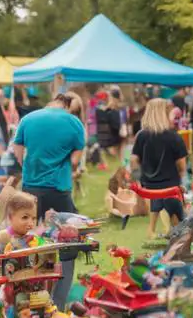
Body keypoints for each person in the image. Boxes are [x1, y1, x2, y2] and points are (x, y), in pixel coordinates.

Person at [13, 92, 86, 221]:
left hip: (31, 184)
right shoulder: (75, 123)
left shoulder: (27, 119)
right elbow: (75, 162)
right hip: (59, 187)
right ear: (67, 106)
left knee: (31, 231)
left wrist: (27, 167)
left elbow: (18, 152)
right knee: (65, 231)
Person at [131, 98, 188, 237]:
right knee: (173, 199)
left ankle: (152, 229)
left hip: (148, 185)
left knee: (158, 194)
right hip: (170, 185)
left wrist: (140, 177)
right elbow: (182, 165)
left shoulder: (141, 136)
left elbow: (133, 161)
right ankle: (175, 229)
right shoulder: (174, 137)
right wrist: (181, 177)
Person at [95, 90, 123, 158]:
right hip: (110, 141)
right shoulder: (105, 110)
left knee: (123, 158)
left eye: (110, 98)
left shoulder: (121, 110)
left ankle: (124, 164)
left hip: (120, 140)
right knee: (113, 160)